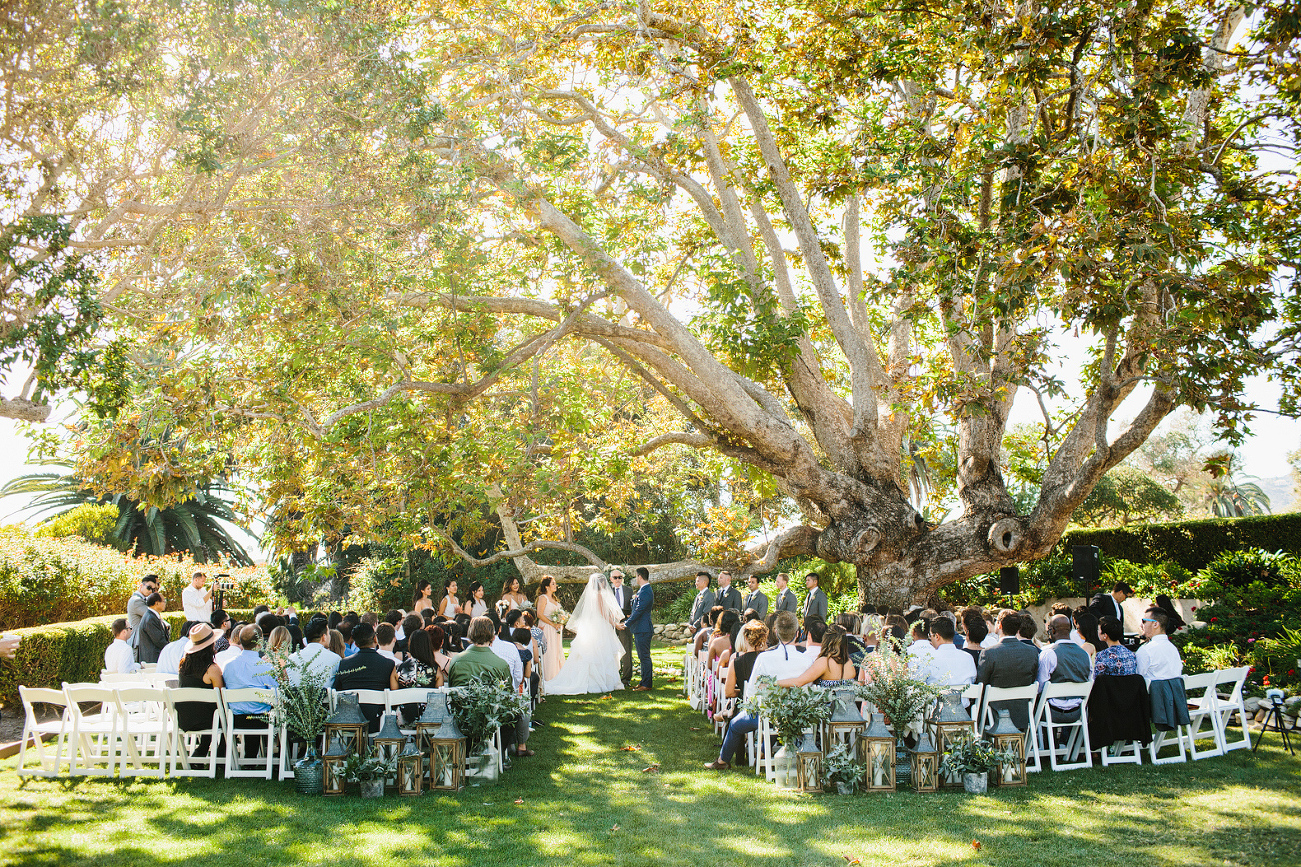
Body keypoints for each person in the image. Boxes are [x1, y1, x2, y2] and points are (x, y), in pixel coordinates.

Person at [705, 611, 810, 770]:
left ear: (775, 632)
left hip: (767, 715)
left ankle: (722, 761)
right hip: (797, 715)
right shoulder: (806, 659)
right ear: (798, 633)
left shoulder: (765, 658)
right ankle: (762, 752)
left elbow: (751, 691)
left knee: (734, 724)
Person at [544, 573, 624, 695]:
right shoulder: (598, 595)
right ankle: (598, 682)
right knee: (600, 652)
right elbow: (603, 613)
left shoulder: (592, 596)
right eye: (603, 582)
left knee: (596, 653)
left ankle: (599, 680)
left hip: (594, 626)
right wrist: (615, 624)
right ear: (601, 583)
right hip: (600, 627)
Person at [975, 610, 1040, 730]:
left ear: (999, 625)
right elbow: (1032, 679)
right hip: (1023, 714)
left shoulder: (989, 653)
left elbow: (981, 685)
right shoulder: (1032, 652)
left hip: (994, 716)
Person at [334, 622, 399, 729]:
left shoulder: (344, 664)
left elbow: (338, 690)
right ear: (375, 639)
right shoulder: (388, 664)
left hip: (350, 720)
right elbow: (393, 696)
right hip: (378, 721)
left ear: (355, 643)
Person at [175, 623, 224, 757]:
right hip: (207, 720)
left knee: (208, 709)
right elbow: (221, 696)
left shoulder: (183, 665)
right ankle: (221, 751)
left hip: (185, 718)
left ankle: (202, 750)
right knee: (226, 713)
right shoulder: (212, 669)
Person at [1036, 614, 1092, 721]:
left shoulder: (1049, 653)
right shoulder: (1085, 654)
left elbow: (1040, 686)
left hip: (1051, 712)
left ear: (1052, 630)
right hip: (1078, 712)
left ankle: (1045, 738)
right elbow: (1089, 680)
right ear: (1070, 630)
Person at [777, 624, 857, 687]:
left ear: (825, 640)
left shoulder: (824, 662)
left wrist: (772, 683)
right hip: (849, 707)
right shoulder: (849, 662)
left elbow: (799, 682)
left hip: (829, 707)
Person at [923, 617, 977, 689]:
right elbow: (972, 681)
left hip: (937, 699)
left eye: (930, 636)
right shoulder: (968, 658)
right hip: (962, 700)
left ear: (937, 636)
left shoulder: (928, 659)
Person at [289, 618, 342, 686]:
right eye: (328, 634)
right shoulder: (336, 659)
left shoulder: (291, 658)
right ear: (324, 637)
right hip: (325, 696)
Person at [1135, 610, 1183, 686]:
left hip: (1153, 696)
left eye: (1144, 621)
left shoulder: (1145, 650)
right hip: (1174, 695)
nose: (1141, 625)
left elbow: (1137, 678)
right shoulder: (1173, 649)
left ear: (1155, 624)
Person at [626, 567, 655, 691]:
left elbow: (639, 610)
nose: (636, 578)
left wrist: (627, 623)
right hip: (639, 628)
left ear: (640, 577)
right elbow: (636, 608)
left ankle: (646, 684)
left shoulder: (646, 591)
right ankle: (644, 681)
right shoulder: (643, 590)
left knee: (644, 656)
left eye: (636, 576)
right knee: (642, 656)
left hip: (643, 628)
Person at [608, 569, 634, 688]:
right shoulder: (607, 591)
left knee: (626, 650)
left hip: (625, 623)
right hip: (610, 624)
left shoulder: (629, 590)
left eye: (620, 577)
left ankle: (626, 679)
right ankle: (612, 676)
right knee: (610, 651)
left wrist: (630, 615)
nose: (618, 580)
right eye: (615, 577)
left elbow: (633, 606)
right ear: (611, 579)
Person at [132, 592, 171, 665]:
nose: (165, 603)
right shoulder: (150, 618)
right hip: (152, 660)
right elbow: (159, 640)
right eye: (163, 601)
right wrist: (172, 648)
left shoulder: (152, 615)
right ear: (157, 603)